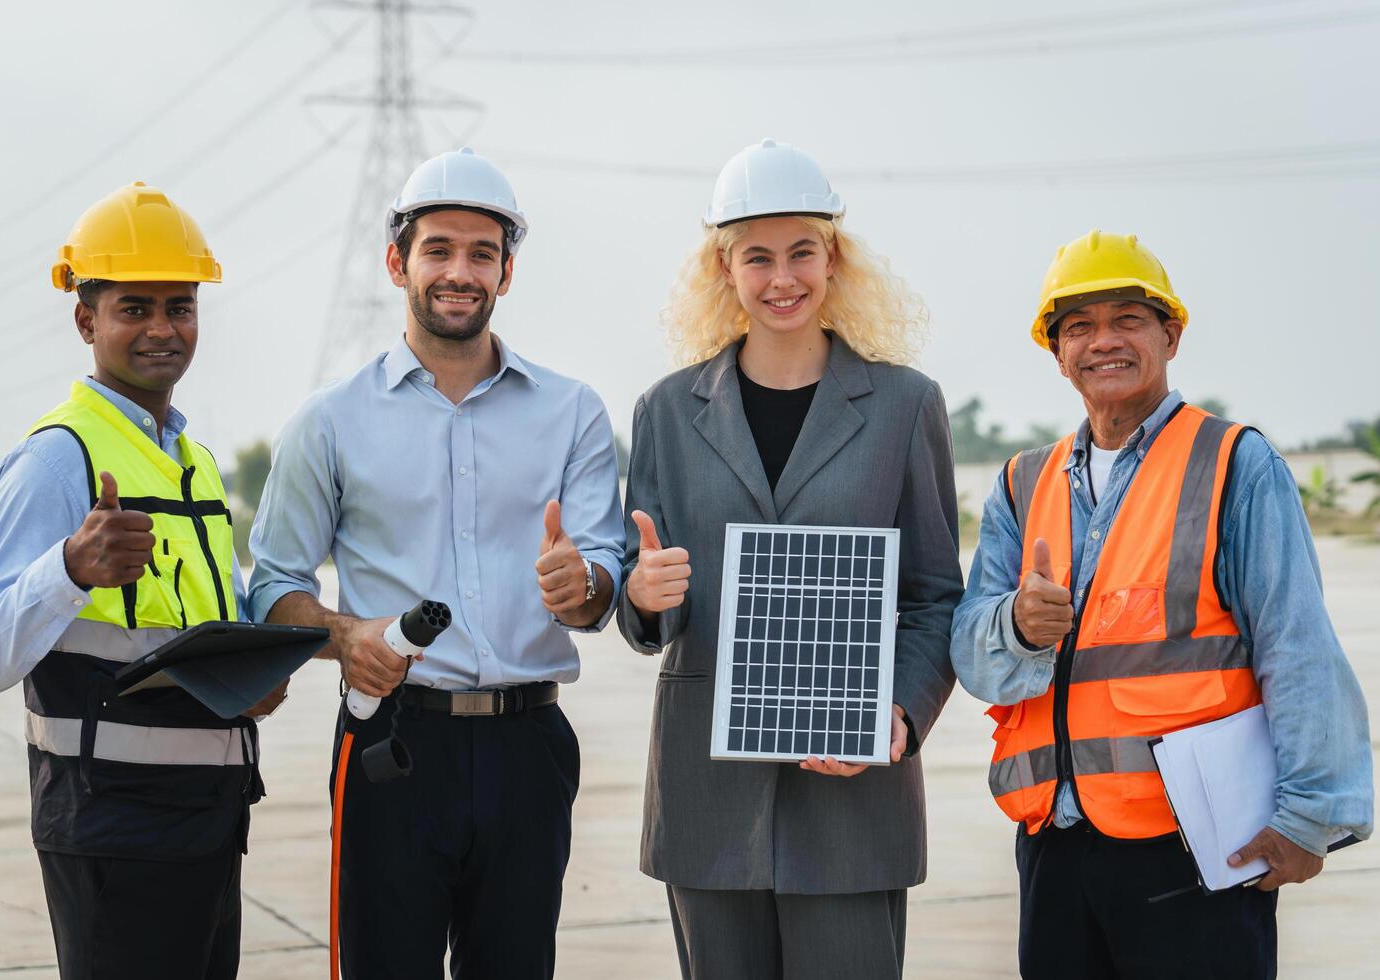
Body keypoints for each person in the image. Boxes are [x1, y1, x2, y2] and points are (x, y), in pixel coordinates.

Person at [951, 230, 1373, 978]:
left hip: (1195, 846)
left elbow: (1297, 645)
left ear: (1171, 335)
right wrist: (1015, 626)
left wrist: (1310, 818)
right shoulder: (1022, 483)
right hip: (1056, 840)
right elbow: (971, 655)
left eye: (1128, 320)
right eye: (1078, 326)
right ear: (1056, 352)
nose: (1102, 341)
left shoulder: (1235, 463)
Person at [248, 146, 626, 979]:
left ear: (507, 272)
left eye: (482, 253)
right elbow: (273, 587)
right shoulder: (331, 422)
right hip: (391, 742)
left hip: (531, 746)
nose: (461, 271)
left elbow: (601, 580)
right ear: (397, 262)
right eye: (439, 250)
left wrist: (584, 585)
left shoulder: (573, 413)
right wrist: (347, 637)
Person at [616, 139, 962, 979]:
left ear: (833, 259)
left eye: (802, 252)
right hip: (709, 803)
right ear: (723, 269)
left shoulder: (904, 405)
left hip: (851, 798)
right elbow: (645, 617)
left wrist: (903, 714)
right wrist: (643, 592)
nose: (783, 279)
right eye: (757, 257)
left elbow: (934, 595)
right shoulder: (666, 412)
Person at [0, 182, 284, 979]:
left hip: (209, 826)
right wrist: (68, 569)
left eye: (181, 307)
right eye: (135, 308)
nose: (163, 329)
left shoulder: (195, 466)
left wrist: (252, 681)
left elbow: (193, 638)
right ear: (86, 320)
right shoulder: (56, 459)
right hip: (112, 835)